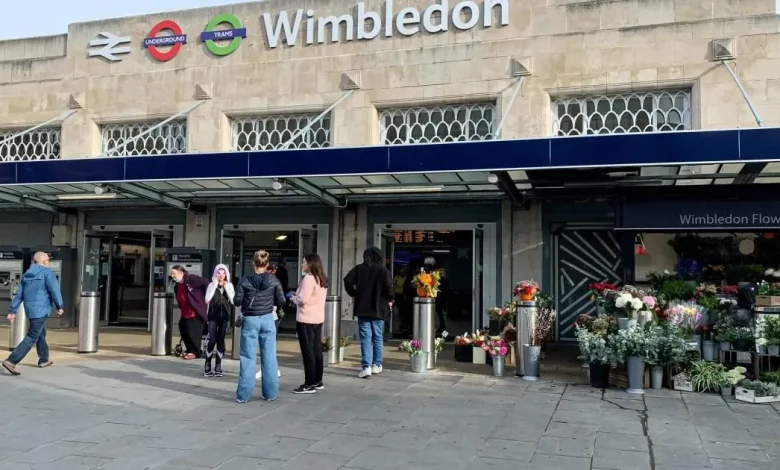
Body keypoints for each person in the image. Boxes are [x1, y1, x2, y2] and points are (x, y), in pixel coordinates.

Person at [234, 250, 286, 403]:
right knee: (269, 356)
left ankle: (243, 395)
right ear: (267, 264)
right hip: (268, 319)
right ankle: (270, 393)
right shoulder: (274, 280)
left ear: (253, 263)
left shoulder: (245, 280)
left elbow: (237, 301)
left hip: (250, 319)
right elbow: (282, 301)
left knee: (248, 357)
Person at [2, 252, 63, 376]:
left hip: (30, 309)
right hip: (41, 309)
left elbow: (19, 294)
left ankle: (43, 359)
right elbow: (54, 290)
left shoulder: (27, 274)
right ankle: (11, 360)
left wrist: (12, 310)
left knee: (40, 332)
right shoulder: (48, 273)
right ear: (45, 261)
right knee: (32, 336)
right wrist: (60, 306)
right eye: (48, 260)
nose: (49, 262)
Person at [344, 247, 394, 379]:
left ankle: (366, 367)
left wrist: (354, 293)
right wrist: (390, 299)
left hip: (362, 308)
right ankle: (377, 365)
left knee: (365, 338)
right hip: (379, 308)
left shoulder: (359, 269)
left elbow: (347, 280)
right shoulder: (383, 270)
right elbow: (389, 287)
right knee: (377, 337)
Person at [291, 253, 328, 394]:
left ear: (311, 264)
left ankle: (309, 383)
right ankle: (318, 380)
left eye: (304, 262)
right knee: (316, 349)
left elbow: (303, 299)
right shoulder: (321, 279)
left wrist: (293, 298)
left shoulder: (309, 278)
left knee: (308, 351)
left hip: (306, 319)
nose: (302, 264)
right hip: (318, 318)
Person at [170, 265, 209, 360]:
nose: (172, 276)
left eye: (174, 273)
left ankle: (195, 352)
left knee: (193, 331)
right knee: (183, 328)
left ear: (181, 273)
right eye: (171, 274)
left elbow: (206, 282)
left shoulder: (190, 279)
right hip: (185, 312)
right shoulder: (177, 284)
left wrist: (207, 297)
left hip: (194, 312)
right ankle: (189, 349)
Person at [204, 264, 234, 377]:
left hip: (224, 317)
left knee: (221, 340)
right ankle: (207, 363)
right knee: (212, 340)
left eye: (223, 273)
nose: (221, 276)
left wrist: (226, 287)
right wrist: (215, 284)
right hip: (212, 316)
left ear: (226, 274)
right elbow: (207, 299)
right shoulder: (211, 285)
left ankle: (218, 365)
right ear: (215, 273)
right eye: (218, 273)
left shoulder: (229, 285)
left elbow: (233, 300)